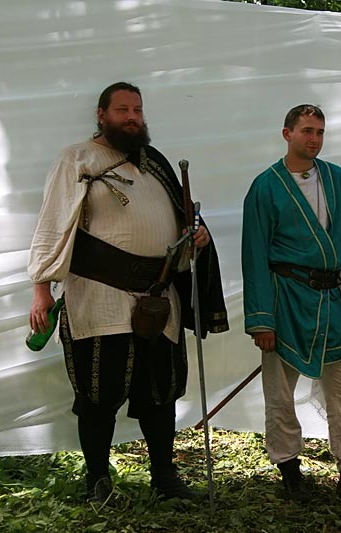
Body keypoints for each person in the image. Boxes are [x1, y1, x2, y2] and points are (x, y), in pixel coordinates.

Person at [28, 82, 229, 502]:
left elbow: (182, 219)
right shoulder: (77, 158)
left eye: (137, 109)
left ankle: (165, 479)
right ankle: (98, 481)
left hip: (158, 297)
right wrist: (41, 288)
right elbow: (52, 223)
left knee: (161, 392)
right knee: (99, 393)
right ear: (102, 115)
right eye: (122, 110)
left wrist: (197, 235)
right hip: (100, 295)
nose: (132, 117)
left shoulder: (155, 164)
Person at [241, 104, 341, 504]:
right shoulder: (266, 187)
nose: (314, 139)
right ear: (287, 134)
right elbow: (254, 255)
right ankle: (289, 469)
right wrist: (262, 319)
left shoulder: (338, 180)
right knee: (280, 393)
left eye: (319, 132)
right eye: (306, 131)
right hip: (287, 300)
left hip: (335, 301)